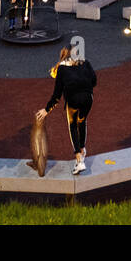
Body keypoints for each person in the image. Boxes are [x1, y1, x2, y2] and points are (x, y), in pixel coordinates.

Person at [35, 46, 97, 175]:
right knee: (82, 121)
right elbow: (94, 81)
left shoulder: (62, 69)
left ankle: (79, 160)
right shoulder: (86, 62)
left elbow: (57, 95)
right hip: (88, 98)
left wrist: (47, 110)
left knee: (73, 126)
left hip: (73, 100)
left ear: (63, 55)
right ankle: (83, 148)